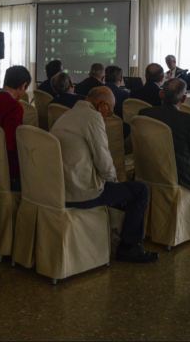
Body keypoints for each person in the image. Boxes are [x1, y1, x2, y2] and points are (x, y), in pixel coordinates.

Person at [52, 87, 159, 263]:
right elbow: (104, 161)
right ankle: (128, 247)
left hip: (59, 190)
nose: (106, 117)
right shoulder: (93, 117)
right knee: (140, 191)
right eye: (108, 113)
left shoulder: (66, 115)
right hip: (82, 193)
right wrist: (116, 186)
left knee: (126, 191)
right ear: (102, 105)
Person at [140, 78, 190, 195]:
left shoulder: (144, 113)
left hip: (149, 169)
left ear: (161, 94)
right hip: (181, 177)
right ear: (184, 98)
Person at [104, 65, 130, 139]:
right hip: (118, 129)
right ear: (121, 78)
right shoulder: (125, 94)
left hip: (99, 126)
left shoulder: (97, 91)